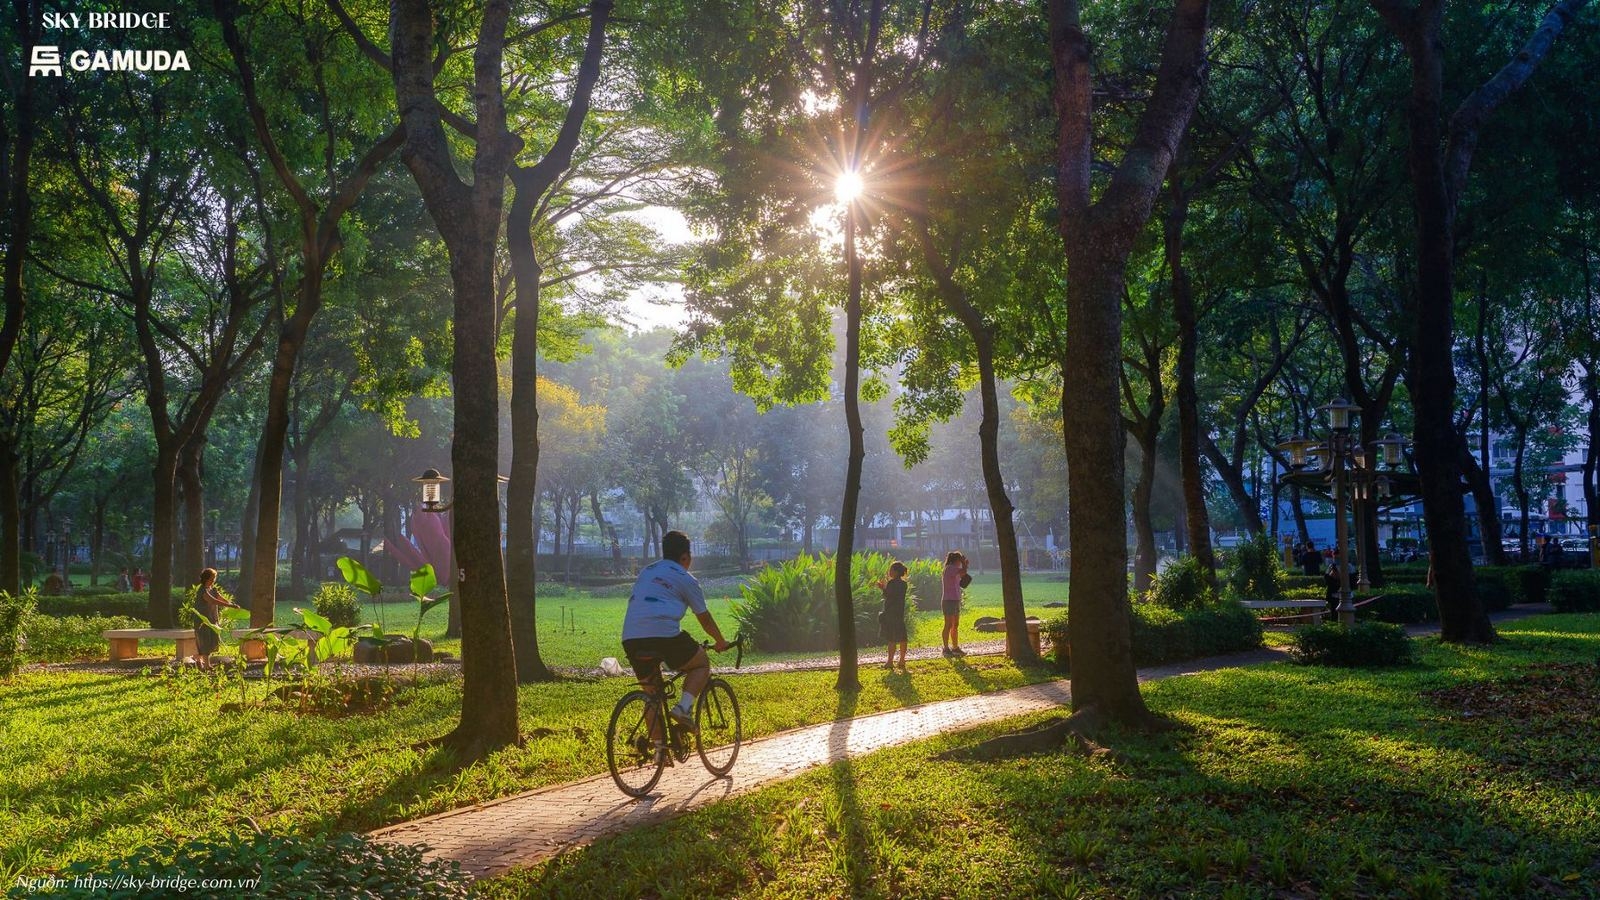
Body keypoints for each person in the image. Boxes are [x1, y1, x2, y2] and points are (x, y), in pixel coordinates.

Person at [620, 531, 729, 732]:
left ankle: (658, 753)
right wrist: (720, 641)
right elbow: (704, 618)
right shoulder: (686, 578)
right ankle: (683, 709)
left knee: (652, 696)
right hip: (663, 636)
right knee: (701, 663)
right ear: (685, 557)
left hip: (631, 637)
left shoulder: (647, 571)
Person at [193, 567, 240, 671]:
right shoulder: (202, 591)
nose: (213, 580)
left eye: (214, 578)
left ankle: (199, 660)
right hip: (203, 621)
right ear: (206, 578)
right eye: (212, 578)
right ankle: (206, 665)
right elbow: (213, 601)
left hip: (212, 619)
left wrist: (231, 604)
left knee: (211, 641)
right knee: (205, 641)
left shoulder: (213, 589)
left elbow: (220, 598)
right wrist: (231, 606)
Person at [876, 561, 910, 673]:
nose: (889, 572)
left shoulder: (891, 583)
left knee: (891, 638)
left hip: (891, 613)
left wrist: (882, 587)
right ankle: (902, 660)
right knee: (902, 638)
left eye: (891, 570)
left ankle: (890, 661)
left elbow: (888, 595)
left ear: (895, 572)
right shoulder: (904, 584)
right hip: (899, 613)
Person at [941, 551, 968, 657]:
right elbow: (964, 571)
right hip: (949, 600)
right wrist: (964, 564)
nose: (960, 562)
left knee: (955, 625)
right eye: (960, 560)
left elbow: (963, 574)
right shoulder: (950, 568)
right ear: (956, 560)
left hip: (955, 600)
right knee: (948, 624)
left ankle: (955, 647)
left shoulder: (954, 570)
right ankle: (946, 648)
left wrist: (965, 564)